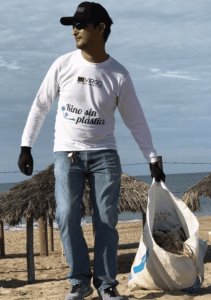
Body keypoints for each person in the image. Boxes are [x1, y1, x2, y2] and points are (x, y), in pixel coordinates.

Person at [17, 2, 165, 300]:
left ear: (101, 28)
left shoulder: (118, 74)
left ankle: (107, 284)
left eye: (82, 25)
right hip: (66, 154)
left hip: (104, 155)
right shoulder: (62, 64)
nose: (75, 30)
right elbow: (40, 105)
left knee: (106, 220)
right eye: (73, 25)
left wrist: (152, 157)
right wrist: (26, 145)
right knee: (67, 214)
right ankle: (79, 281)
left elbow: (135, 120)